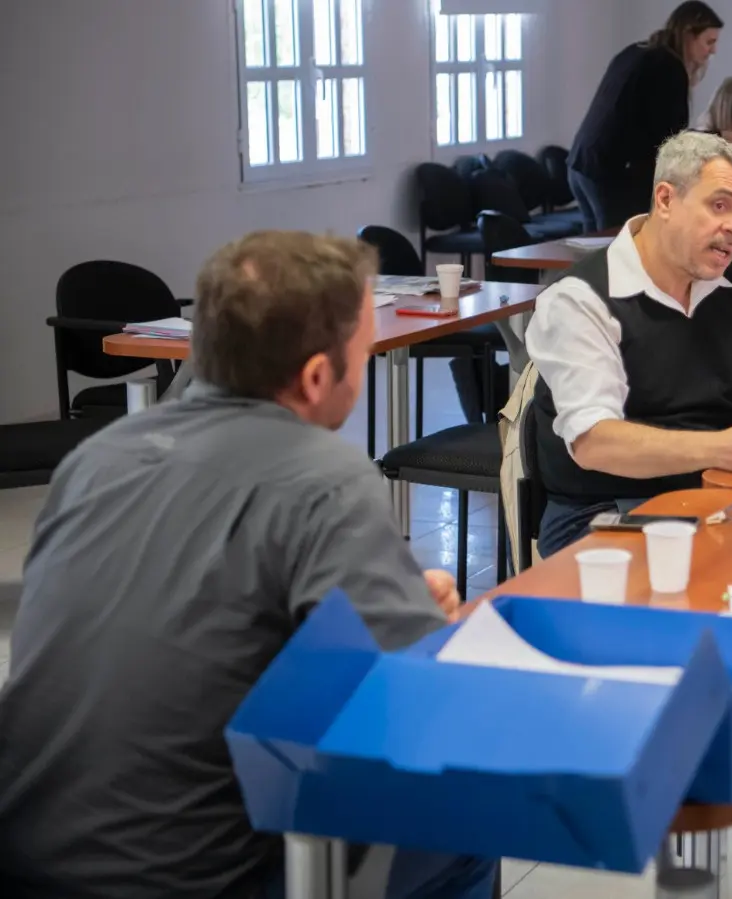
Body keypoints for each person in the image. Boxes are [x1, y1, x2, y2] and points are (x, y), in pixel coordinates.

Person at [0, 233, 495, 899]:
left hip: (25, 852)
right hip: (188, 878)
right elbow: (411, 706)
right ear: (319, 376)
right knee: (470, 815)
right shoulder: (320, 476)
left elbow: (193, 632)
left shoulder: (96, 458)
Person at [527, 131, 732, 557]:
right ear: (665, 200)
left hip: (716, 490)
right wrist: (723, 447)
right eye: (719, 206)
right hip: (605, 512)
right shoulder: (580, 298)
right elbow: (595, 442)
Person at [568, 1, 724, 231]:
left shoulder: (638, 51)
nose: (713, 50)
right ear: (689, 35)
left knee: (595, 251)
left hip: (581, 164)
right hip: (611, 173)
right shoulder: (668, 67)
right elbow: (669, 141)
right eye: (709, 42)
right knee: (617, 250)